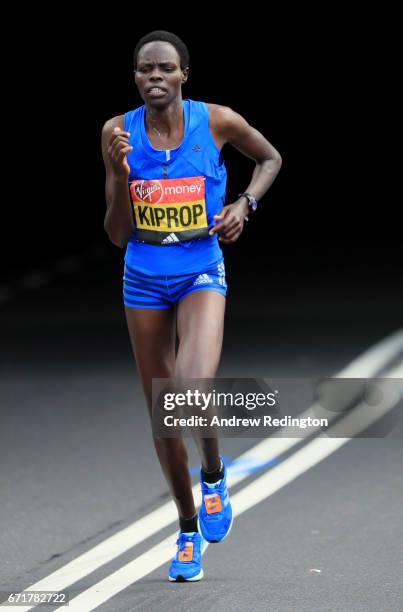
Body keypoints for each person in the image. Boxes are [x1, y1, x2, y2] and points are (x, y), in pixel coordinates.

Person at [101, 30, 282, 582]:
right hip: (142, 279)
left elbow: (271, 158)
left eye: (165, 68)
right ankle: (185, 532)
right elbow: (115, 234)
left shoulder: (218, 120)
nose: (154, 76)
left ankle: (213, 475)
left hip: (201, 270)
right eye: (144, 69)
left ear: (184, 75)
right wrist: (118, 175)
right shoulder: (117, 133)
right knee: (163, 415)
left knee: (191, 389)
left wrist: (244, 205)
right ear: (135, 77)